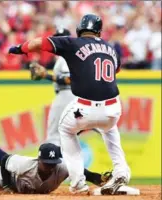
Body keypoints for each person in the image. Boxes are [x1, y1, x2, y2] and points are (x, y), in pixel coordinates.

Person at [9, 14, 131, 195]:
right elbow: (116, 69)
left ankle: (78, 183)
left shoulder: (72, 43)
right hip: (113, 107)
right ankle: (121, 172)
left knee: (66, 130)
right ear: (98, 31)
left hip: (85, 106)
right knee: (110, 130)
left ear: (80, 29)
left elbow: (39, 43)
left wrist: (20, 48)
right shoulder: (110, 48)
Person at [0, 126, 110, 194]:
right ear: (39, 160)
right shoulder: (25, 164)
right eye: (46, 163)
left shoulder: (62, 168)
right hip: (10, 176)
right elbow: (4, 160)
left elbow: (88, 174)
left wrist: (104, 181)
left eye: (53, 163)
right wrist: (7, 184)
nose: (50, 167)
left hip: (21, 185)